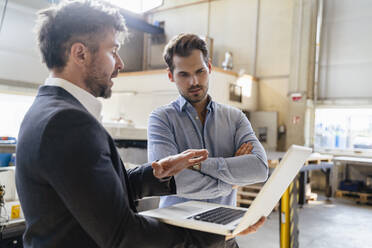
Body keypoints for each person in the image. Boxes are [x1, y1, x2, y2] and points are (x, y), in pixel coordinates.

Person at [15, 1, 265, 247]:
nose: (120, 64)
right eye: (113, 51)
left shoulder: (51, 111)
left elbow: (98, 194)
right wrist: (216, 233)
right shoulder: (66, 123)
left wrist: (156, 174)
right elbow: (122, 234)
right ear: (80, 53)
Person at [147, 33, 269, 247]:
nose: (194, 81)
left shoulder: (235, 117)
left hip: (224, 237)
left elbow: (259, 168)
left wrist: (199, 164)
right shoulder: (161, 119)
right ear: (170, 75)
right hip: (178, 239)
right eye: (184, 74)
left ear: (209, 67)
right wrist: (231, 180)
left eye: (200, 71)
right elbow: (171, 181)